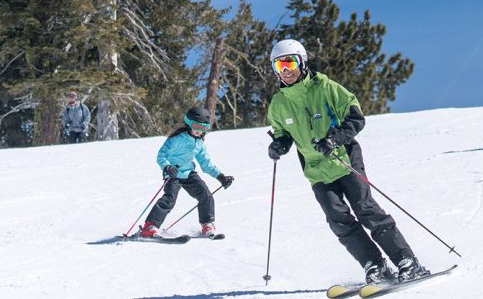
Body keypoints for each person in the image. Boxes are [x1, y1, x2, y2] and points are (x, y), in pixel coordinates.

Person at [264, 39, 431, 284]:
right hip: (317, 171)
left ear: (302, 62)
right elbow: (283, 133)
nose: (286, 70)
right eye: (279, 66)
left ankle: (407, 261)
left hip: (345, 160)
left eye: (290, 62)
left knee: (367, 210)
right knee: (338, 221)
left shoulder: (326, 88)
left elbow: (356, 117)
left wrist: (334, 139)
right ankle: (374, 265)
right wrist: (278, 145)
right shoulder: (278, 104)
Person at [138, 107, 234, 238]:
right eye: (196, 126)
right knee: (169, 199)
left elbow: (206, 163)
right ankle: (150, 227)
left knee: (206, 195)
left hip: (188, 172)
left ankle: (207, 224)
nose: (199, 131)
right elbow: (161, 155)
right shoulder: (177, 139)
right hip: (173, 172)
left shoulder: (199, 143)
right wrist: (167, 167)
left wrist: (220, 176)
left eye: (203, 128)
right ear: (188, 123)